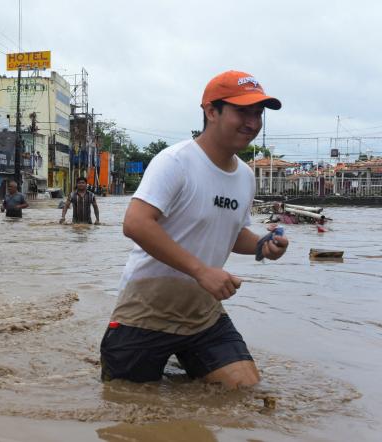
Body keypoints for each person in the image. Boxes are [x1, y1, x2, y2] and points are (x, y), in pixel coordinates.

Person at [100, 70, 289, 388]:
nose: (253, 123)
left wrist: (262, 245)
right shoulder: (175, 161)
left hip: (203, 314)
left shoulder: (245, 176)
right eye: (242, 111)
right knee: (129, 408)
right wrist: (201, 270)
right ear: (211, 111)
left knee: (244, 390)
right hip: (147, 311)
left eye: (258, 113)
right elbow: (135, 223)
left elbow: (233, 232)